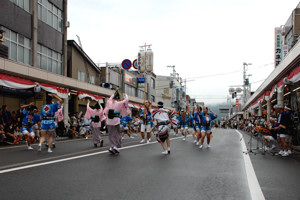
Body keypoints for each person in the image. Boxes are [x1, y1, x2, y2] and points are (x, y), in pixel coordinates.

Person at [104, 90, 130, 155]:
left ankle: (111, 147)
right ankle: (115, 146)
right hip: (116, 120)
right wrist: (126, 96)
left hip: (109, 120)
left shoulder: (109, 102)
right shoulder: (119, 103)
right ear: (118, 99)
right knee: (117, 134)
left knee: (111, 134)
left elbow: (110, 98)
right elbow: (126, 101)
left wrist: (113, 94)